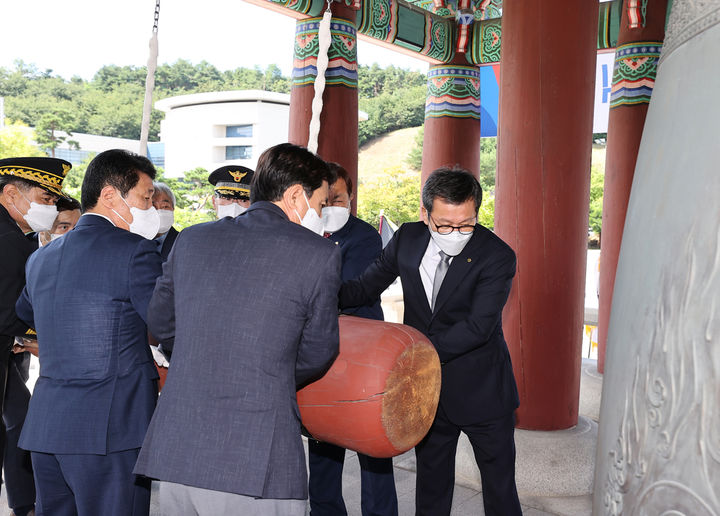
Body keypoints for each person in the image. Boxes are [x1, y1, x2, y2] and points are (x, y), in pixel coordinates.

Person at [134, 143, 341, 515]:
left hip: (181, 446)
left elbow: (160, 320)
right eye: (322, 203)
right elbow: (319, 349)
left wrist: (209, 356)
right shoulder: (318, 253)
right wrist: (265, 370)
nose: (322, 213)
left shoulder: (192, 239)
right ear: (296, 196)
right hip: (258, 453)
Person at [339, 167, 521, 516]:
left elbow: (477, 327)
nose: (456, 233)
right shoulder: (407, 239)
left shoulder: (497, 255)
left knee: (500, 492)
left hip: (483, 390)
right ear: (425, 214)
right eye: (445, 224)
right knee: (432, 487)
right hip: (428, 391)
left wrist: (409, 354)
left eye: (466, 223)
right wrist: (319, 291)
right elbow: (363, 287)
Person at [14, 149, 163, 516]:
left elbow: (24, 312)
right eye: (146, 198)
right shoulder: (136, 252)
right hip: (111, 430)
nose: (151, 209)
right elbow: (166, 323)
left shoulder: (41, 257)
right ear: (110, 194)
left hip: (47, 427)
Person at [309, 163, 398, 516]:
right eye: (324, 199)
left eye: (338, 198)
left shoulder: (364, 237)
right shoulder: (306, 230)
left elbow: (347, 290)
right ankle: (325, 510)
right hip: (322, 352)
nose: (330, 205)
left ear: (350, 199)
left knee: (371, 444)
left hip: (362, 355)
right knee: (322, 441)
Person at [0, 157, 70, 516]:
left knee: (18, 420)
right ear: (11, 193)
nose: (52, 207)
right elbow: (8, 313)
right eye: (46, 198)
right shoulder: (8, 239)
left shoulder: (15, 234)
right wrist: (54, 333)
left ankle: (23, 502)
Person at [151, 181, 179, 261]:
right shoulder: (134, 240)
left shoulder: (183, 242)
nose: (159, 211)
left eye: (165, 206)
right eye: (153, 207)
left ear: (173, 209)